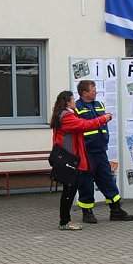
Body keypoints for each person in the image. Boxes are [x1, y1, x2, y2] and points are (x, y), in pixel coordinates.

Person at [50, 90, 113, 230]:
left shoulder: (67, 114)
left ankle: (65, 221)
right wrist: (104, 118)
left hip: (69, 158)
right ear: (67, 102)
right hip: (68, 159)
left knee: (69, 190)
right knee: (69, 192)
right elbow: (85, 125)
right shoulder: (66, 117)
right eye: (73, 100)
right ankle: (64, 222)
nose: (75, 102)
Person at [74, 80, 133, 223]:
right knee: (86, 182)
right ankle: (87, 212)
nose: (95, 91)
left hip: (101, 150)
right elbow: (81, 127)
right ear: (85, 93)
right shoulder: (77, 108)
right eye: (93, 89)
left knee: (107, 179)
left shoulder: (99, 104)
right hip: (87, 152)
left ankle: (116, 210)